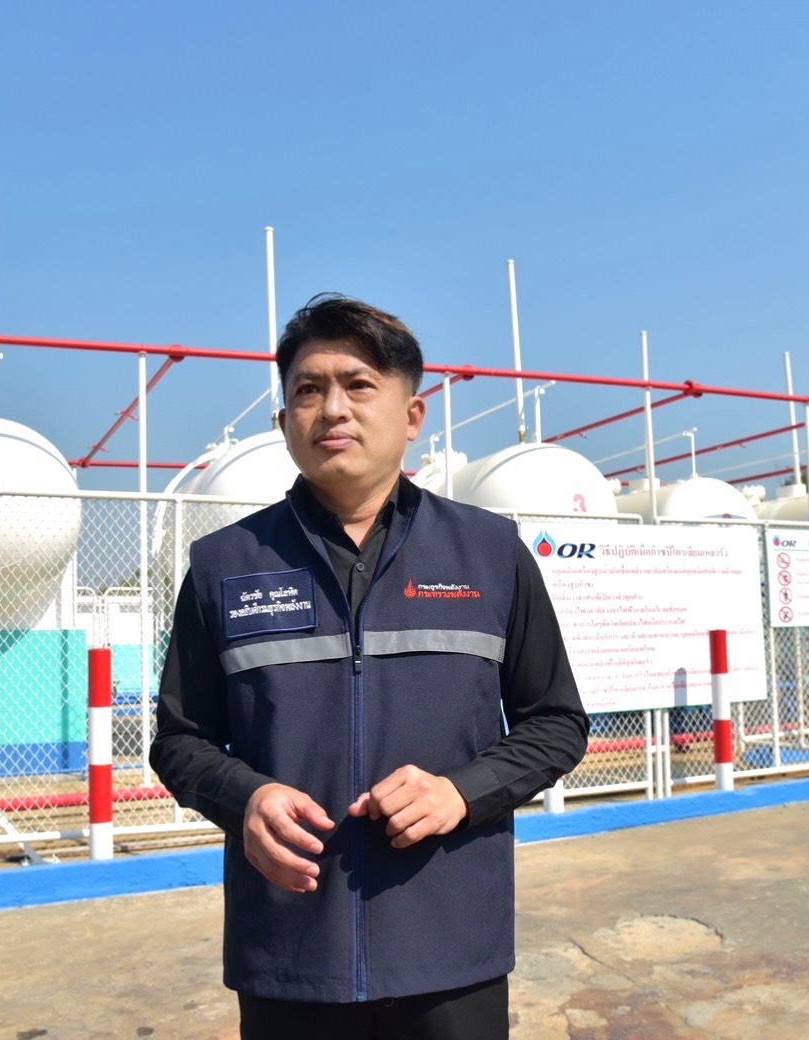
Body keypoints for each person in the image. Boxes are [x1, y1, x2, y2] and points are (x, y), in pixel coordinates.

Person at [150, 293, 589, 1040]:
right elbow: (179, 739)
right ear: (283, 420)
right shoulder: (225, 566)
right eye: (308, 389)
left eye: (359, 384)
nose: (332, 408)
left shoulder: (490, 555)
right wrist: (246, 799)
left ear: (413, 416)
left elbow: (557, 723)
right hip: (291, 953)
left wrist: (461, 792)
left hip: (451, 949)